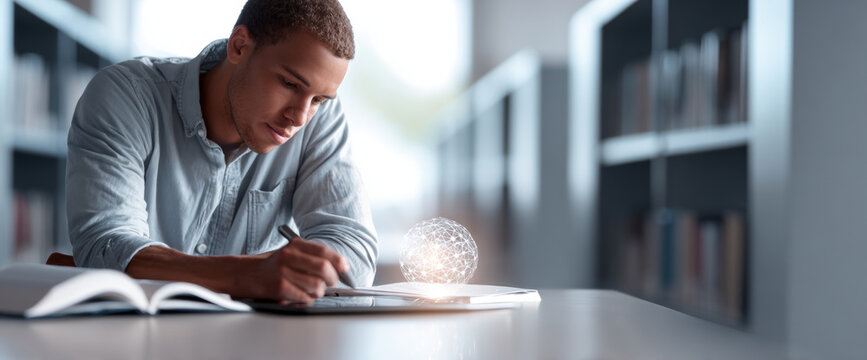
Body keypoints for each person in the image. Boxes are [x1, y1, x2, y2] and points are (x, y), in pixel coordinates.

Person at [65, 0, 377, 304]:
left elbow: (355, 257)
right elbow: (106, 247)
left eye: (319, 99)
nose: (299, 117)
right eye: (289, 84)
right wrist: (247, 275)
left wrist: (276, 274)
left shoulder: (318, 120)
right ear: (239, 46)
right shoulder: (126, 96)